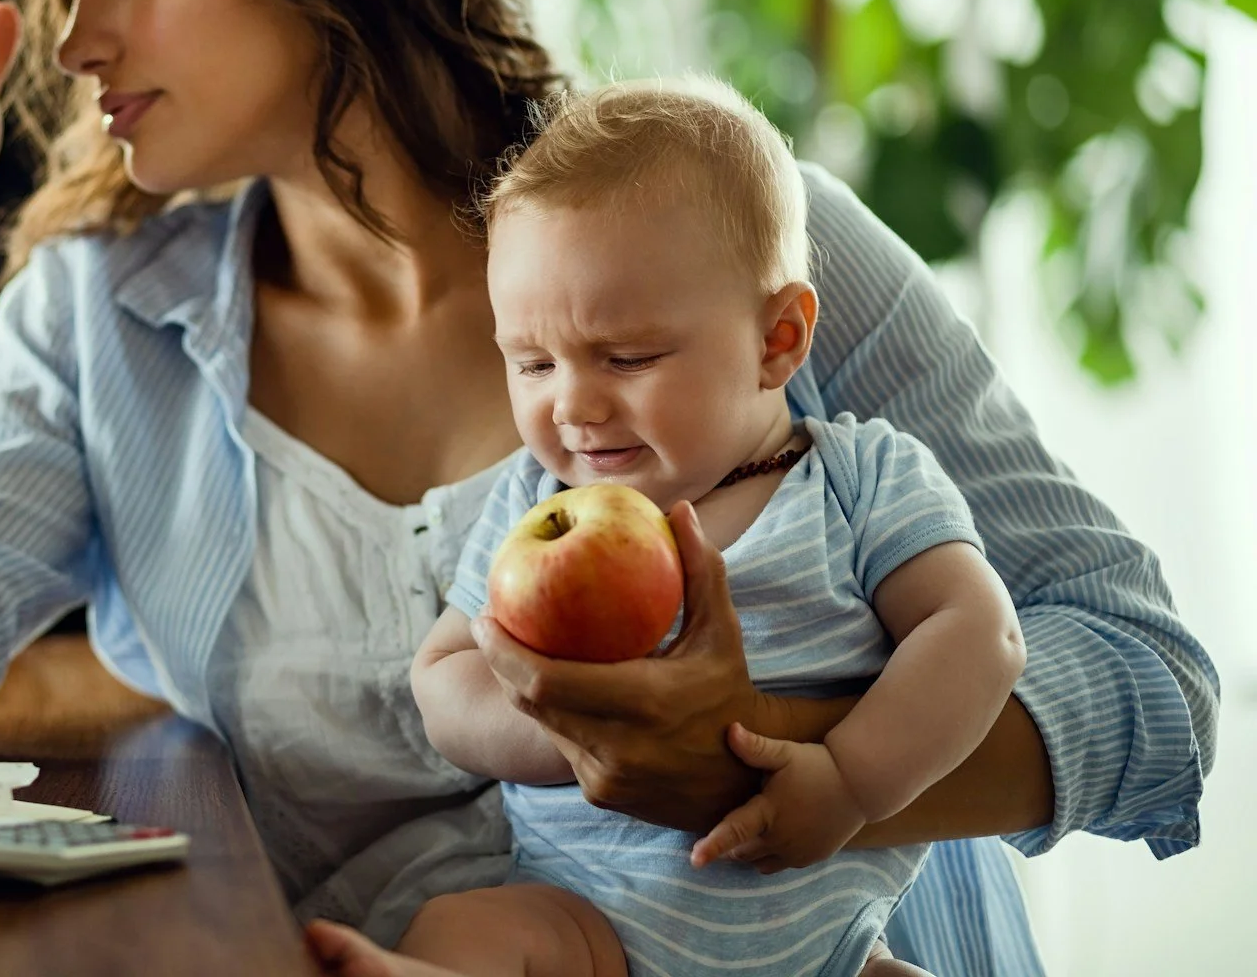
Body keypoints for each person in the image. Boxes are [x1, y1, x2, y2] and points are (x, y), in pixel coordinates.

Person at [0, 0, 1217, 972]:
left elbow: (1150, 678)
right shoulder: (98, 325)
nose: (75, 43)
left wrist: (775, 758)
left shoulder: (748, 244)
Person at [304, 80, 1026, 977]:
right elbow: (443, 674)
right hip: (586, 923)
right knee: (469, 932)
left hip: (825, 950)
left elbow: (978, 632)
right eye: (532, 364)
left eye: (627, 357)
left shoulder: (859, 480)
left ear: (778, 339)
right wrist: (576, 731)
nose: (572, 405)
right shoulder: (538, 502)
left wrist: (851, 778)